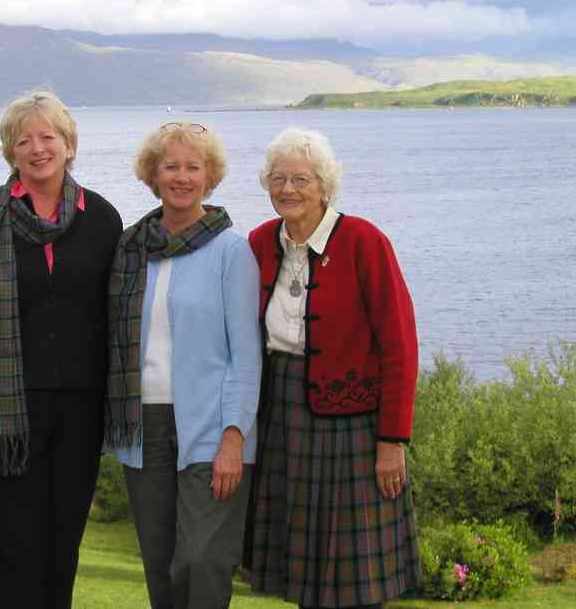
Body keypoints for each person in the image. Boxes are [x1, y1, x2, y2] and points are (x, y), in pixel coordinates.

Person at [245, 127, 420, 609]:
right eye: (278, 178)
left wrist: (393, 439)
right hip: (280, 412)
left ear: (325, 185)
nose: (288, 189)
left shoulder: (364, 240)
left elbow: (400, 346)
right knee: (305, 573)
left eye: (301, 179)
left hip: (353, 424)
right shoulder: (259, 242)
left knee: (356, 578)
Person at [0, 90, 123, 608]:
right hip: (2, 412)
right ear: (10, 152)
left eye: (47, 137)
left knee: (62, 542)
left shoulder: (103, 218)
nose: (37, 149)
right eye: (23, 140)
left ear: (69, 144)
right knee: (9, 543)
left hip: (79, 409)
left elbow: (118, 313)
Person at [107, 121, 261, 609]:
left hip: (212, 426)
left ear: (209, 177)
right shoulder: (131, 250)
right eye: (170, 166)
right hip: (143, 427)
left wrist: (234, 437)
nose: (181, 177)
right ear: (152, 175)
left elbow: (246, 354)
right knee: (161, 565)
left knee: (200, 560)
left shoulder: (232, 251)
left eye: (193, 167)